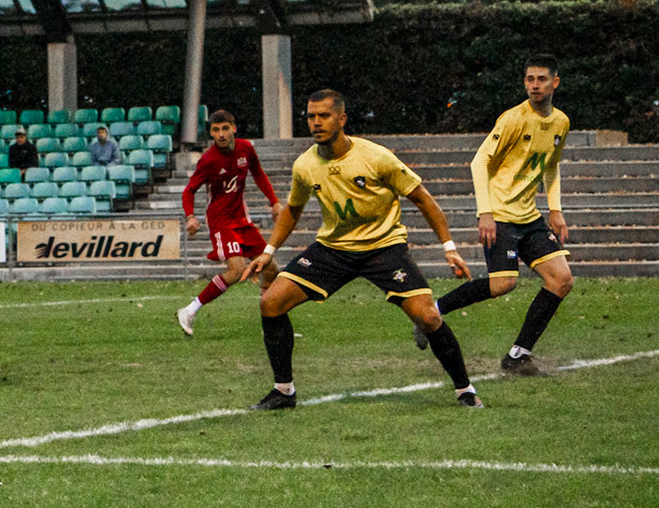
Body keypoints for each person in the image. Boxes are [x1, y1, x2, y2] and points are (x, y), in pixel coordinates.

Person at [241, 89, 481, 410]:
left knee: (427, 316)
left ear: (342, 119)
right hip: (333, 249)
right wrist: (269, 251)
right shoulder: (305, 166)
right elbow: (293, 210)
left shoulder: (376, 157)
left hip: (383, 247)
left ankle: (464, 389)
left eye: (324, 116)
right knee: (271, 302)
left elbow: (422, 197)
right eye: (311, 116)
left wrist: (449, 247)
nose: (316, 123)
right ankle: (283, 392)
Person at [421, 55, 573, 374]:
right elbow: (479, 162)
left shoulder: (561, 122)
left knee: (561, 280)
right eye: (529, 79)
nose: (534, 85)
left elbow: (552, 166)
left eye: (541, 79)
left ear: (555, 82)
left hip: (529, 217)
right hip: (500, 214)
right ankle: (431, 312)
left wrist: (555, 209)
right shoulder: (513, 119)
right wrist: (485, 212)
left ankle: (517, 356)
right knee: (503, 284)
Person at [177, 109, 280, 337]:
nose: (221, 134)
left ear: (234, 128)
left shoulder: (246, 149)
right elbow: (189, 190)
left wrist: (274, 202)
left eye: (225, 128)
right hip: (220, 221)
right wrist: (190, 217)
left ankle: (270, 323)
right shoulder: (209, 160)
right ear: (211, 133)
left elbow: (259, 173)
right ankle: (189, 310)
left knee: (270, 267)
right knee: (236, 270)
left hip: (242, 219)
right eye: (215, 130)